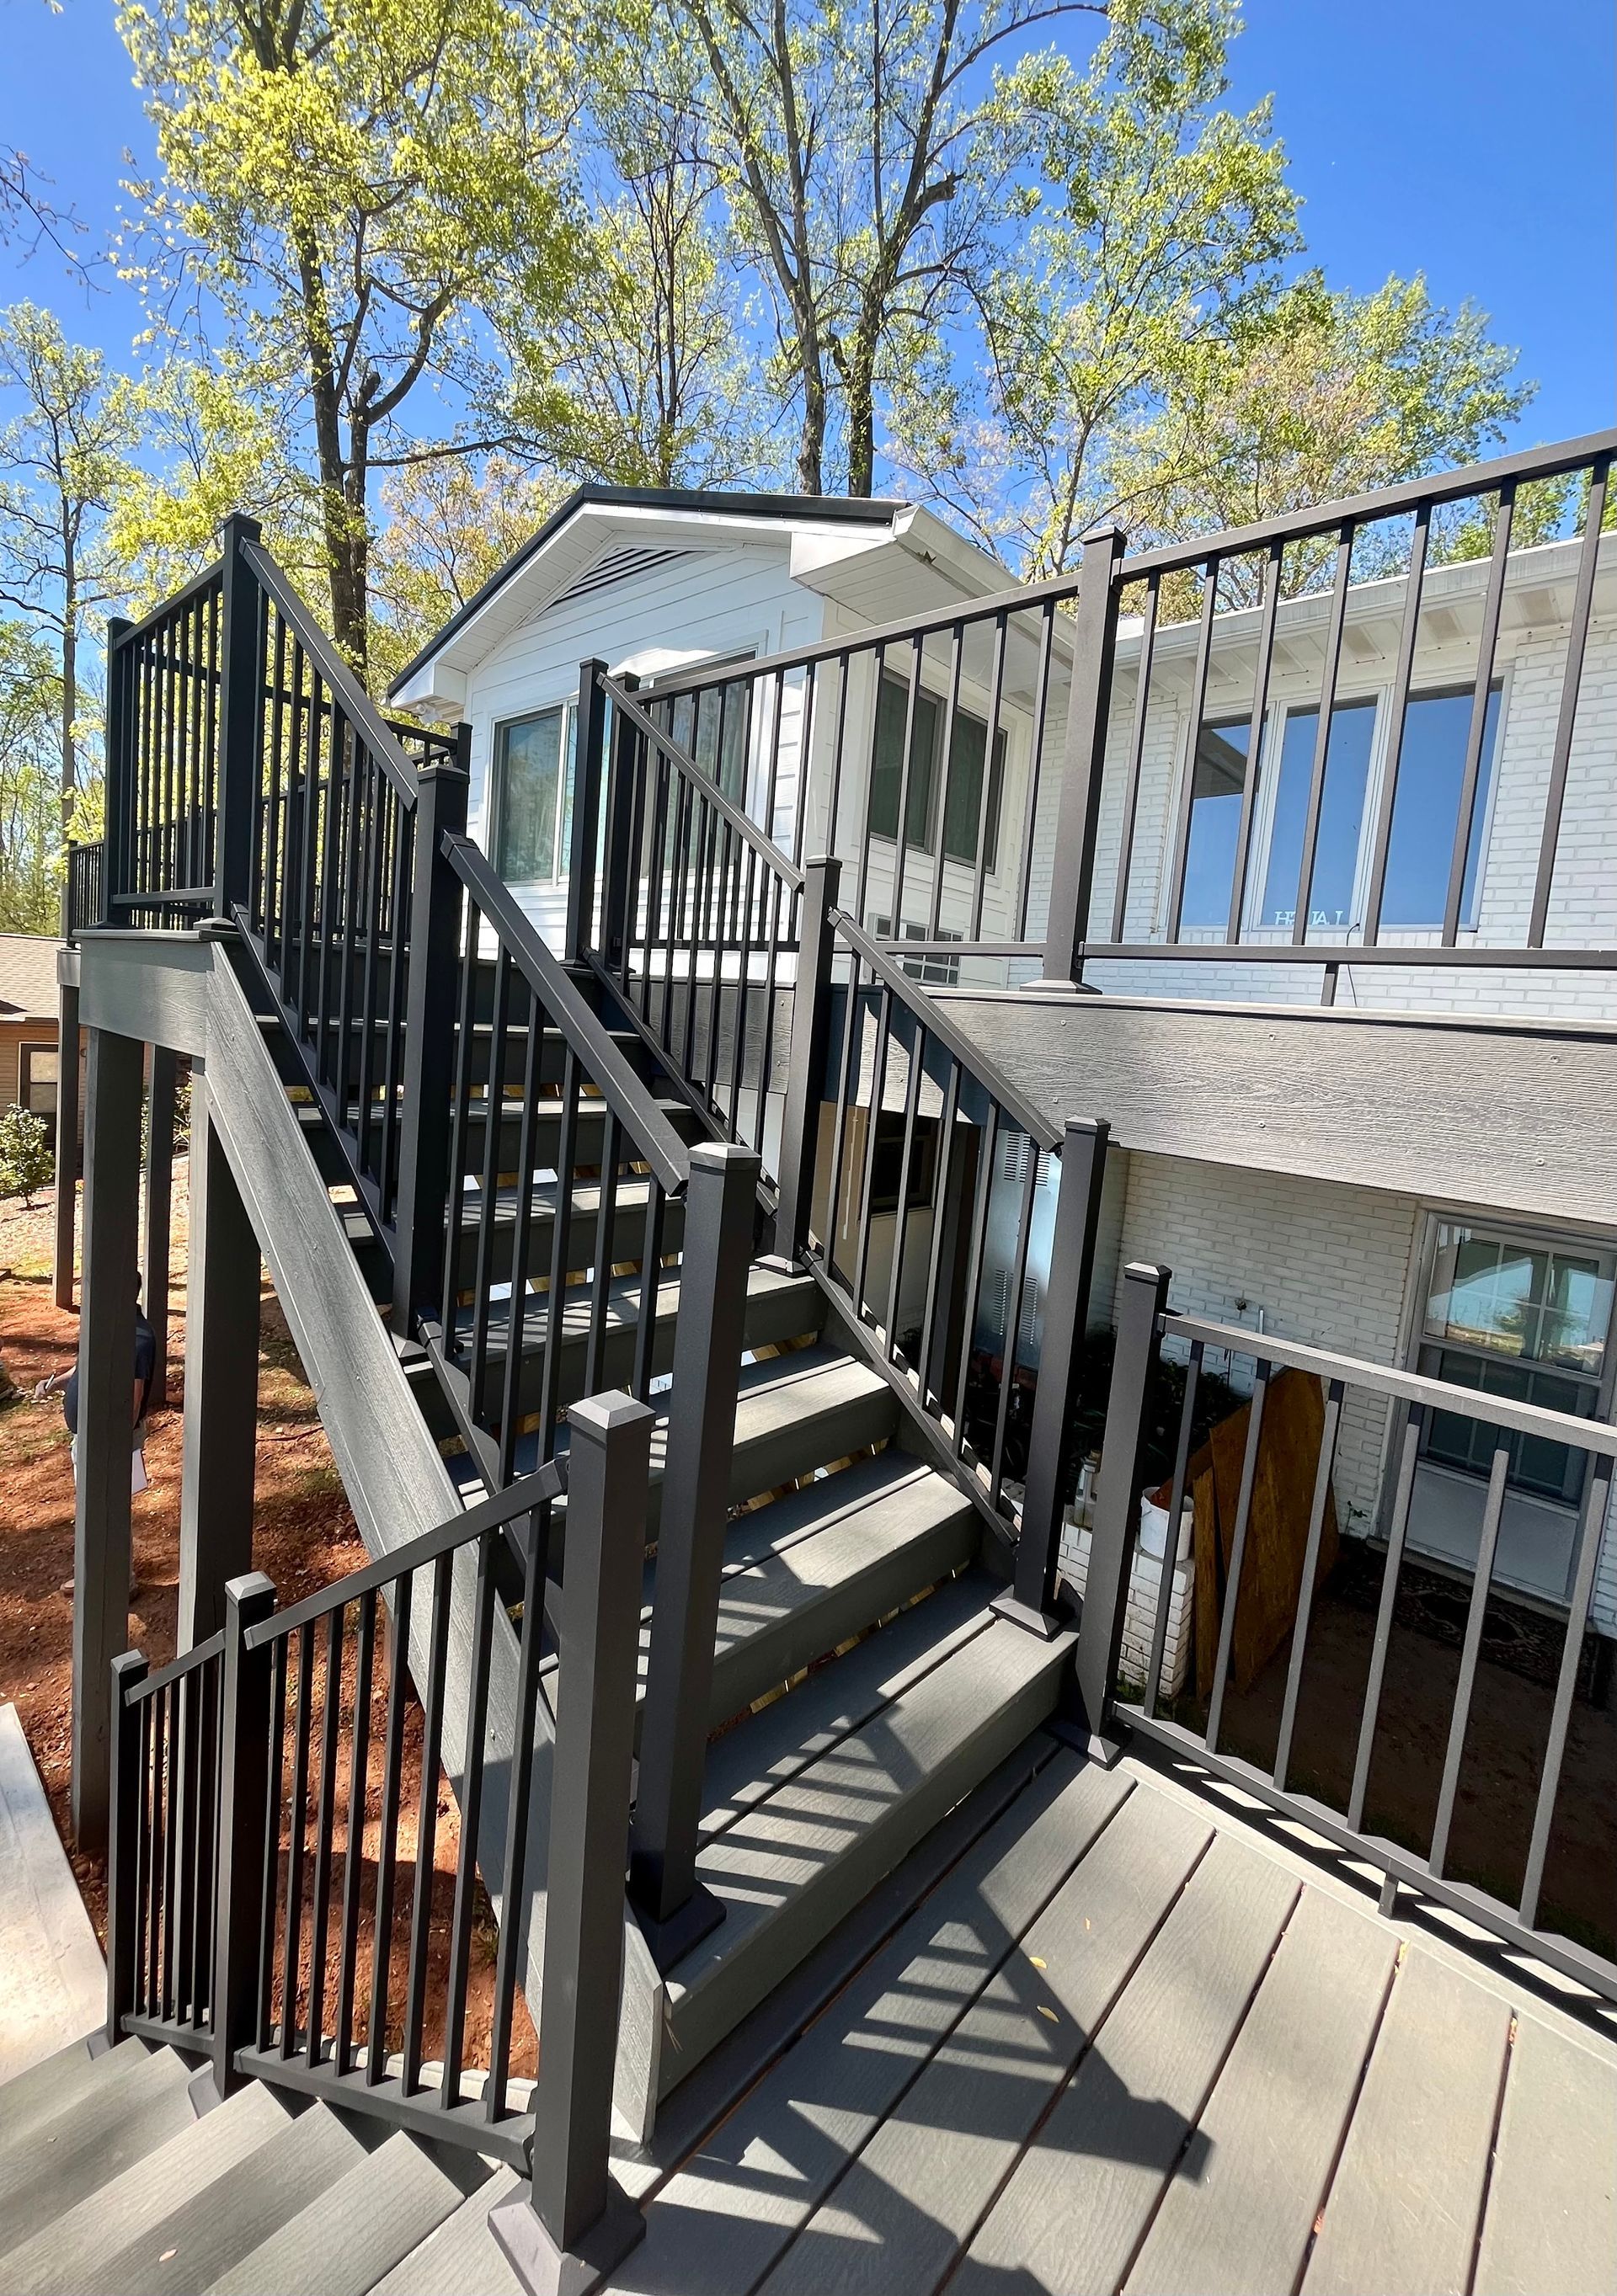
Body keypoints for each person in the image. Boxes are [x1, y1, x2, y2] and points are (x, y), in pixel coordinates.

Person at [35, 1275, 158, 1496]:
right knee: (91, 1503)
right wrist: (55, 1384)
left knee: (107, 1507)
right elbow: (81, 1368)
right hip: (89, 1436)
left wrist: (113, 1449)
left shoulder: (138, 1339)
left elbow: (134, 1398)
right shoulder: (105, 1326)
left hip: (107, 1441)